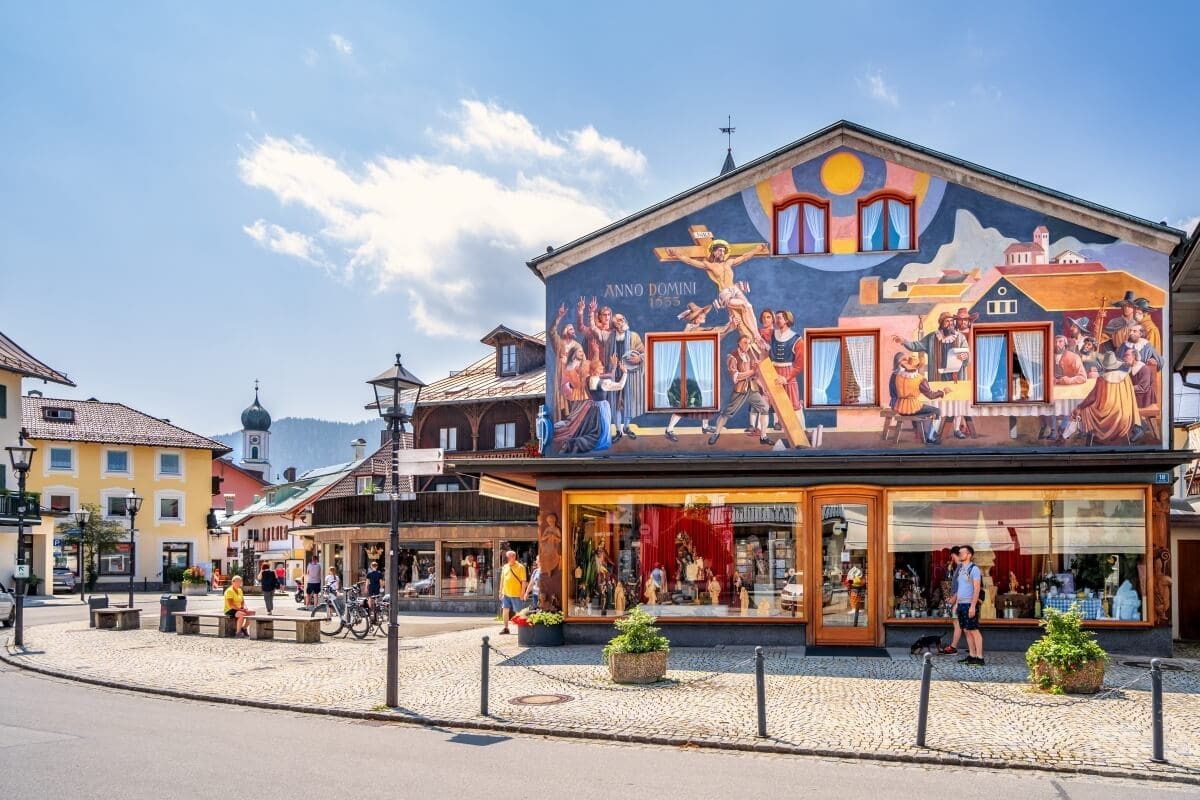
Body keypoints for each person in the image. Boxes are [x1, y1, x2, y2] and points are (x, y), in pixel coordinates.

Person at [665, 239, 769, 354]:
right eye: (719, 250)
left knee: (749, 307)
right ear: (713, 252)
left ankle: (757, 336)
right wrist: (676, 254)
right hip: (725, 293)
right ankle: (757, 337)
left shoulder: (729, 263)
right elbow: (689, 261)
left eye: (724, 251)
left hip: (735, 289)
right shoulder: (709, 265)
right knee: (744, 305)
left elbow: (744, 257)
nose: (722, 253)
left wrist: (757, 249)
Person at [708, 334, 771, 446]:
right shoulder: (732, 356)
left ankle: (763, 436)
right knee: (726, 412)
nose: (747, 345)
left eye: (749, 343)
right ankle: (716, 434)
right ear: (739, 343)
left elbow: (755, 376)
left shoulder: (751, 355)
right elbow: (736, 377)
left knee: (765, 408)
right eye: (745, 343)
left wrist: (763, 387)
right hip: (740, 389)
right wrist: (752, 371)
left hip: (752, 388)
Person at [953, 545, 984, 666]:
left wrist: (972, 606)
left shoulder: (974, 569)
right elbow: (961, 588)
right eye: (959, 553)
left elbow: (977, 588)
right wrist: (956, 603)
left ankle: (980, 657)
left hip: (969, 603)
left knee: (974, 630)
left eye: (962, 553)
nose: (960, 554)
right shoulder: (961, 569)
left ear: (969, 555)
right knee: (966, 630)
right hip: (961, 604)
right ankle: (972, 655)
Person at [938, 546, 963, 655]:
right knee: (963, 625)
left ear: (953, 555)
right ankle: (973, 648)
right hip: (958, 599)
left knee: (957, 623)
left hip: (959, 601)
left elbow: (962, 586)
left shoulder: (961, 567)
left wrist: (953, 599)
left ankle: (953, 647)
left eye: (951, 555)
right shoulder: (959, 567)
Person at [498, 550, 528, 635]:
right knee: (505, 610)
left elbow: (524, 581)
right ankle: (506, 628)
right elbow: (502, 580)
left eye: (508, 557)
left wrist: (522, 593)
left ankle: (521, 630)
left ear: (514, 557)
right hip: (506, 593)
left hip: (516, 594)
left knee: (518, 611)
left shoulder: (520, 567)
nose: (506, 559)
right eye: (506, 557)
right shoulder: (505, 567)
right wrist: (500, 592)